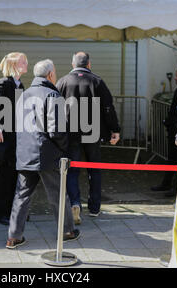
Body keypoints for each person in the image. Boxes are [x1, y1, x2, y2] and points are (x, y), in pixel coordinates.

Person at [6, 59, 79, 249]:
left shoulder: (24, 95)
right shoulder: (53, 95)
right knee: (58, 195)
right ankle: (67, 231)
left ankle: (13, 237)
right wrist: (63, 149)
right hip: (47, 154)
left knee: (21, 196)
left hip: (25, 153)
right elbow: (57, 130)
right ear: (50, 75)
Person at [56, 52, 120, 225]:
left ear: (72, 64)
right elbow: (108, 108)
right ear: (89, 64)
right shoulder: (97, 82)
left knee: (72, 170)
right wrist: (115, 130)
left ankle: (75, 203)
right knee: (94, 169)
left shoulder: (62, 82)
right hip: (93, 134)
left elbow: (54, 108)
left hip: (71, 134)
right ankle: (94, 207)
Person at [0, 52, 28, 225]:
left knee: (14, 176)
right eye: (23, 62)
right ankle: (0, 212)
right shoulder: (3, 84)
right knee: (5, 177)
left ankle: (12, 211)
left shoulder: (19, 85)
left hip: (16, 138)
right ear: (14, 66)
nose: (26, 64)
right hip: (6, 140)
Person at [151, 65, 177, 197]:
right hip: (173, 129)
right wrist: (168, 123)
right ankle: (166, 183)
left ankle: (176, 187)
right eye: (176, 76)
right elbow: (174, 109)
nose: (175, 78)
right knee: (171, 158)